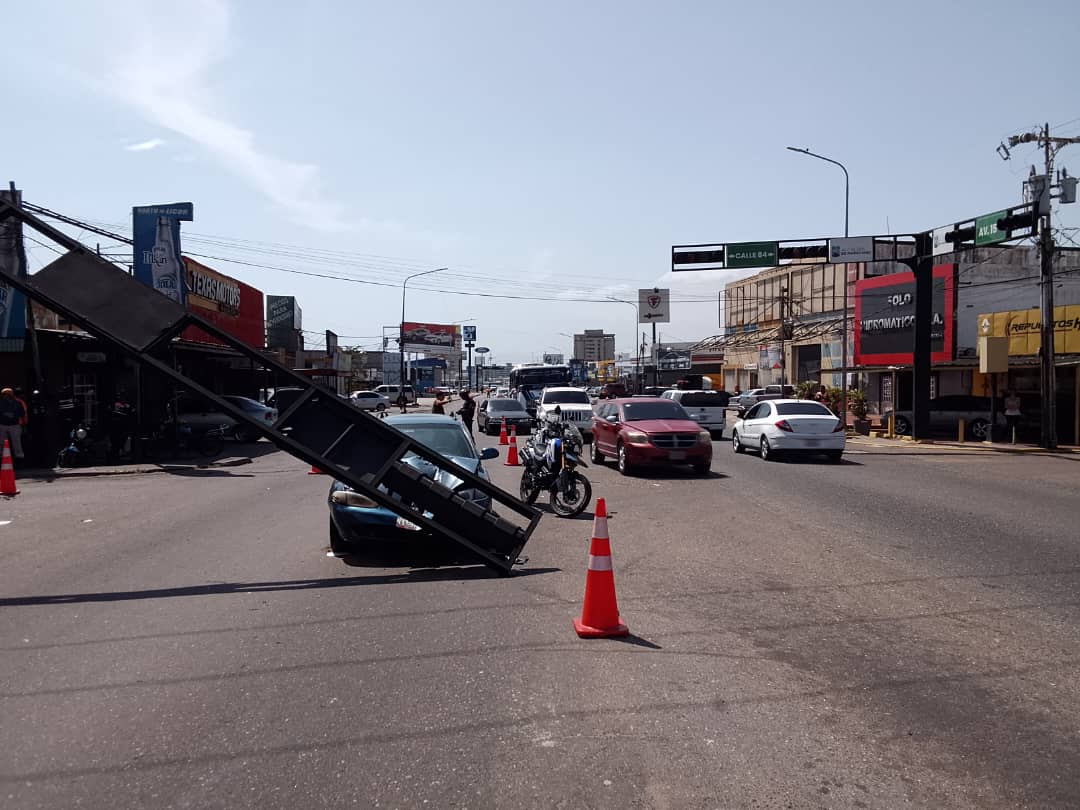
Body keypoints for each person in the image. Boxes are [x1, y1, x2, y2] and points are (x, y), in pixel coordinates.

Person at [0, 387, 26, 459]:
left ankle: (19, 458)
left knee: (16, 443)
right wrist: (5, 414)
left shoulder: (17, 403)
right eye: (5, 394)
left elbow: (22, 413)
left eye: (8, 394)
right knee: (1, 443)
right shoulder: (1, 403)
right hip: (2, 425)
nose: (7, 395)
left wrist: (13, 415)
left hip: (14, 425)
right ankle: (2, 457)